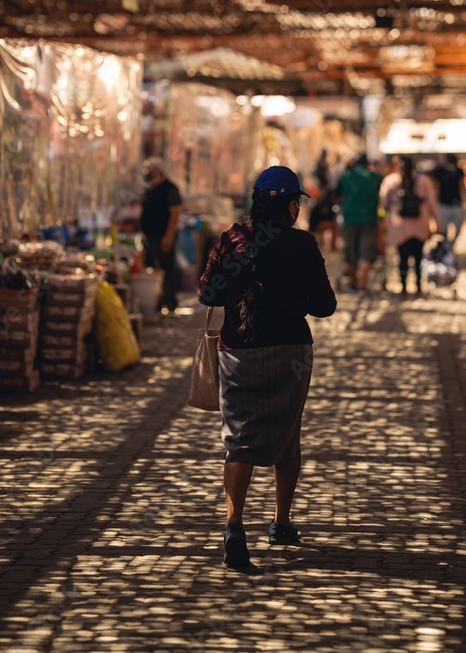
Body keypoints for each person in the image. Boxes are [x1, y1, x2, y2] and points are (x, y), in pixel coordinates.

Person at [197, 165, 336, 569]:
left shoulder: (230, 240)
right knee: (288, 433)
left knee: (239, 439)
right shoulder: (304, 245)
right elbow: (325, 306)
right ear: (292, 206)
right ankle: (280, 523)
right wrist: (293, 297)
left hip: (237, 352)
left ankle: (234, 525)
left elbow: (208, 292)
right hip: (290, 354)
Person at [379, 155, 440, 296]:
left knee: (403, 258)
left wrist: (382, 221)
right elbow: (432, 203)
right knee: (418, 258)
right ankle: (418, 287)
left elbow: (382, 203)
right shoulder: (424, 180)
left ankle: (404, 287)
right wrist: (437, 224)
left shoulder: (391, 180)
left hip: (399, 226)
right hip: (420, 225)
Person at [138, 158, 182, 313]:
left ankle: (170, 302)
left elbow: (175, 213)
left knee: (166, 268)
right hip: (150, 235)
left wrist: (168, 236)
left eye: (151, 173)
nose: (148, 176)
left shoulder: (170, 189)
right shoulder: (150, 189)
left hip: (163, 236)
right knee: (151, 268)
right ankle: (155, 302)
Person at [335, 153, 382, 293]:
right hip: (369, 219)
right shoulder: (376, 178)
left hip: (349, 219)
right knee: (366, 252)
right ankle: (362, 285)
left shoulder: (346, 177)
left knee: (351, 252)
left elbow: (337, 196)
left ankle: (352, 282)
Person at [432, 154, 466, 247]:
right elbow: (435, 185)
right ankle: (446, 246)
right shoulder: (441, 171)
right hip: (444, 203)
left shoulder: (458, 171)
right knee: (444, 228)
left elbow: (462, 185)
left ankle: (450, 245)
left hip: (456, 203)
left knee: (458, 226)